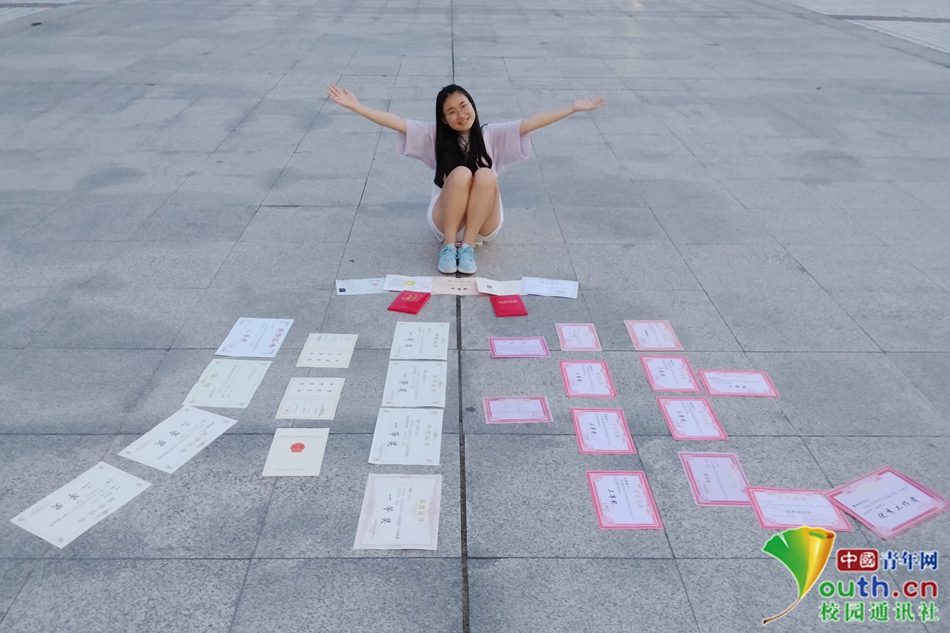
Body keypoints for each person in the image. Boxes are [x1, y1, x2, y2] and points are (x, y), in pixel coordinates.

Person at [327, 84, 604, 274]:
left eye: (464, 105)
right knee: (461, 173)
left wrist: (571, 108)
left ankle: (467, 248)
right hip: (446, 221)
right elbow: (396, 122)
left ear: (472, 104)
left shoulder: (491, 134)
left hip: (483, 224)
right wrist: (357, 107)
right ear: (444, 119)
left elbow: (531, 122)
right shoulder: (435, 136)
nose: (461, 115)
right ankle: (449, 248)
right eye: (452, 112)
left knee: (484, 174)